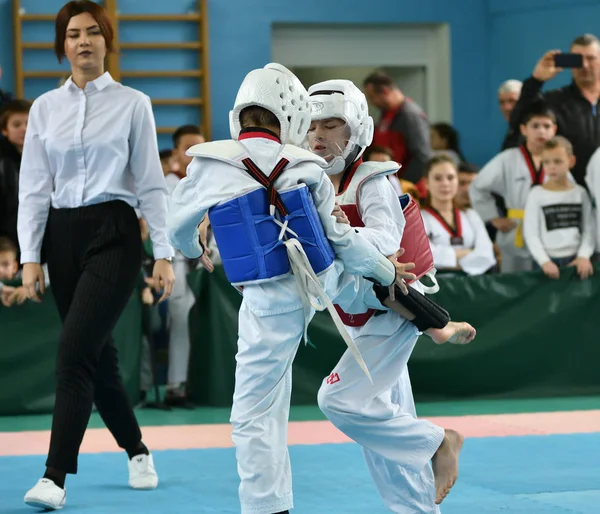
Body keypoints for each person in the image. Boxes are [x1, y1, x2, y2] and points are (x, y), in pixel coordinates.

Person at [167, 63, 414, 514]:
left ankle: (268, 507)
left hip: (266, 299)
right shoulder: (306, 166)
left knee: (253, 414)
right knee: (311, 393)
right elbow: (341, 242)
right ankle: (428, 324)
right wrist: (385, 272)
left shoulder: (210, 161)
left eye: (331, 124)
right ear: (294, 116)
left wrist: (193, 244)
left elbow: (174, 229)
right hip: (321, 286)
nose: (318, 133)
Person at [18, 1, 175, 509]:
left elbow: (152, 185)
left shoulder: (134, 104)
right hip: (60, 236)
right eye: (72, 34)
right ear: (62, 46)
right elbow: (34, 189)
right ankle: (137, 449)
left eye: (91, 33)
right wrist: (30, 256)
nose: (83, 42)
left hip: (115, 231)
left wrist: (165, 254)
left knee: (73, 352)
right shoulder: (43, 108)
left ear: (107, 40)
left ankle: (55, 476)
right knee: (96, 356)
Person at [307, 79, 473, 511]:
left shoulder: (371, 179)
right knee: (381, 430)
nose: (319, 136)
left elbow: (385, 237)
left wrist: (336, 229)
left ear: (357, 130)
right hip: (358, 315)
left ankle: (439, 441)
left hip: (393, 312)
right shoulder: (311, 185)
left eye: (331, 125)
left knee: (339, 399)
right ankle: (418, 508)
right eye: (311, 127)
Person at [470, 102, 560, 273]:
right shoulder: (508, 159)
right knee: (514, 284)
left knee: (547, 283)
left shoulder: (558, 161)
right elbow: (477, 186)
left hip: (548, 228)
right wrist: (493, 217)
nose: (541, 131)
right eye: (535, 126)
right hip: (517, 228)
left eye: (546, 126)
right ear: (524, 129)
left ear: (554, 130)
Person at [524, 136, 595, 279]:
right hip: (547, 262)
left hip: (576, 261)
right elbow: (531, 233)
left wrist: (583, 255)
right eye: (546, 162)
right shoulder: (536, 194)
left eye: (558, 161)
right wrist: (544, 261)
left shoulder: (580, 193)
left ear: (571, 161)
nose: (552, 167)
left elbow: (589, 229)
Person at [421, 155, 497, 276]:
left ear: (457, 180)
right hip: (435, 287)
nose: (445, 184)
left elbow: (487, 255)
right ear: (426, 183)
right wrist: (469, 253)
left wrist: (445, 259)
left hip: (471, 286)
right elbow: (424, 257)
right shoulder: (419, 219)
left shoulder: (471, 215)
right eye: (437, 178)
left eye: (450, 178)